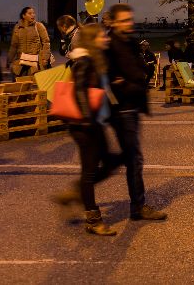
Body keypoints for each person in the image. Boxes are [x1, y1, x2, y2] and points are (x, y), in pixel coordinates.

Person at [56, 24, 123, 235]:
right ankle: (93, 220)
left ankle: (76, 191)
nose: (106, 39)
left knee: (112, 162)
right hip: (84, 126)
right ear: (92, 40)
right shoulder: (84, 62)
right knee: (89, 171)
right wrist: (87, 120)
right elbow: (80, 91)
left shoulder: (95, 60)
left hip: (95, 122)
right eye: (102, 36)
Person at [105, 4, 167, 221]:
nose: (127, 24)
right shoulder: (109, 45)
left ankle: (136, 205)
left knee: (130, 158)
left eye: (129, 20)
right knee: (133, 158)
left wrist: (131, 79)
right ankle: (138, 207)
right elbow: (112, 80)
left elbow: (143, 69)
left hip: (132, 106)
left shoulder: (130, 41)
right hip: (121, 109)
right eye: (122, 21)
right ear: (112, 22)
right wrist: (128, 82)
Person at [7, 6, 50, 79]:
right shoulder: (17, 27)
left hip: (35, 61)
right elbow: (14, 45)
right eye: (30, 13)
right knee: (19, 83)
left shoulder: (39, 26)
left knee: (35, 84)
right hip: (21, 61)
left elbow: (46, 42)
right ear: (23, 16)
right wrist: (9, 60)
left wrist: (45, 58)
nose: (33, 15)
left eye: (33, 13)